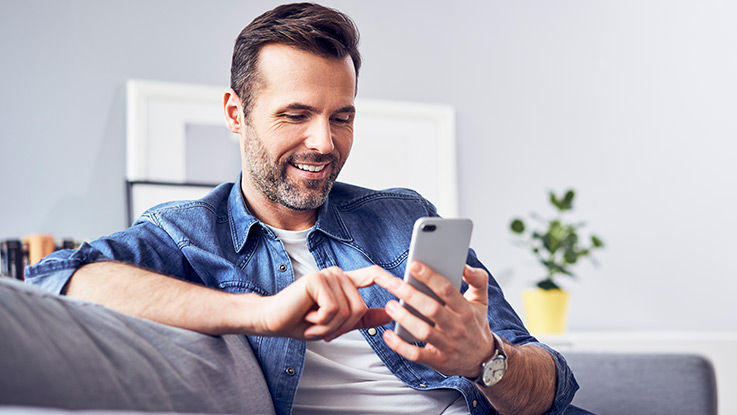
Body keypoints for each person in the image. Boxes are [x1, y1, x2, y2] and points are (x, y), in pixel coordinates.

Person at [26, 3, 580, 415]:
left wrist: (484, 358)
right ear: (236, 113)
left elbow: (552, 384)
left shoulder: (402, 216)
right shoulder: (187, 234)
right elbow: (52, 280)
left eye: (342, 117)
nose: (324, 142)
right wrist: (264, 315)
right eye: (296, 114)